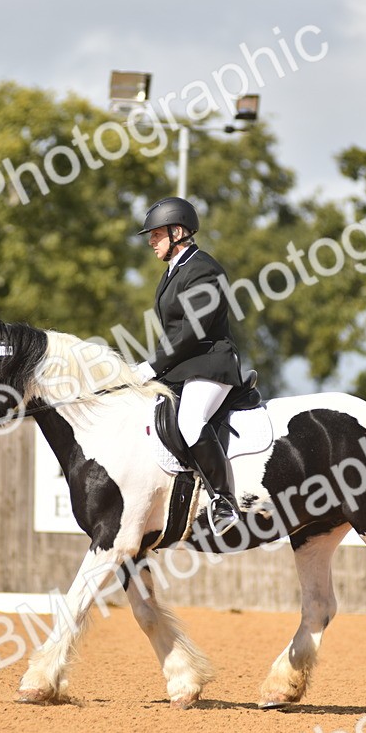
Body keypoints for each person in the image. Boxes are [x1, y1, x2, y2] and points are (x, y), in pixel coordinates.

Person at [132, 196, 244, 534]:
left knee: (191, 419)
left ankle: (224, 500)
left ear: (177, 232)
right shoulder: (173, 272)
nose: (151, 241)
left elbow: (192, 331)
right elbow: (173, 334)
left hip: (211, 362)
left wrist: (151, 367)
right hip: (185, 366)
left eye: (157, 234)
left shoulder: (203, 269)